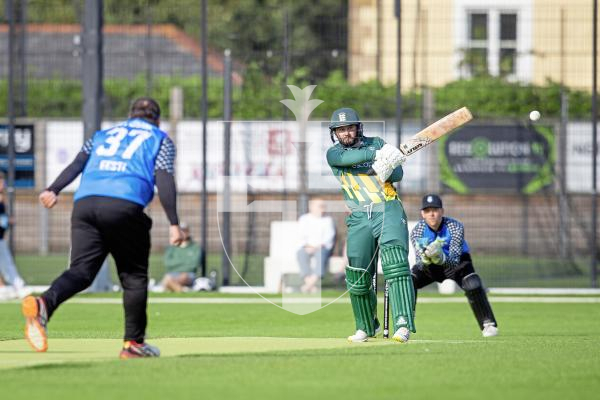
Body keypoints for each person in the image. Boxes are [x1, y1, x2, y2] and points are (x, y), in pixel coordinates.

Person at [22, 97, 184, 358]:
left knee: (81, 272)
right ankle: (133, 344)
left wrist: (53, 188)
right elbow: (163, 177)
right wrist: (174, 223)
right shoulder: (160, 138)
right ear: (157, 119)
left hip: (86, 203)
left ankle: (44, 304)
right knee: (133, 277)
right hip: (125, 204)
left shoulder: (102, 135)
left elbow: (78, 163)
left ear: (130, 115)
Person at [326, 107, 416, 343]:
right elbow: (349, 158)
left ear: (358, 128)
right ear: (335, 133)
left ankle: (403, 323)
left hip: (387, 207)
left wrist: (389, 165)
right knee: (357, 274)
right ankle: (365, 326)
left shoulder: (376, 142)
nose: (346, 133)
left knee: (395, 264)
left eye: (349, 128)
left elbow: (397, 175)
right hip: (358, 215)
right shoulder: (334, 154)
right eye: (341, 129)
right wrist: (377, 156)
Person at [410, 194, 498, 337]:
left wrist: (441, 257)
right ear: (422, 214)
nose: (432, 214)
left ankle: (488, 323)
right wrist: (426, 259)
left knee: (473, 283)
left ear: (442, 211)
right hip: (431, 266)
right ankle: (406, 321)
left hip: (457, 264)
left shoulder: (455, 227)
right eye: (427, 211)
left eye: (435, 210)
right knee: (409, 280)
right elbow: (419, 262)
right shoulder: (417, 231)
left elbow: (455, 260)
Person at [296, 198, 336, 293]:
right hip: (307, 247)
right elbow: (301, 235)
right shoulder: (304, 219)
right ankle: (311, 285)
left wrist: (317, 246)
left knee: (321, 255)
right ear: (311, 207)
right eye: (320, 206)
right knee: (301, 253)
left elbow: (329, 236)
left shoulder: (328, 220)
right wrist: (307, 246)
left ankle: (307, 286)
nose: (322, 208)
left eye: (323, 206)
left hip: (322, 248)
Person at [0, 171, 28, 298]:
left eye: (3, 181)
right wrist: (7, 220)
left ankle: (15, 286)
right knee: (6, 263)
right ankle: (17, 286)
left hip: (0, 238)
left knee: (7, 263)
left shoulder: (2, 198)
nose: (3, 184)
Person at [161, 222, 201, 292]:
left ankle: (173, 286)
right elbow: (167, 263)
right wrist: (184, 262)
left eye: (185, 231)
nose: (183, 233)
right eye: (181, 231)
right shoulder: (171, 248)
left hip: (188, 274)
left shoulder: (195, 248)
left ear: (188, 232)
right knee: (168, 278)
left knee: (181, 277)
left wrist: (178, 264)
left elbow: (194, 264)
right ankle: (182, 289)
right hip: (172, 274)